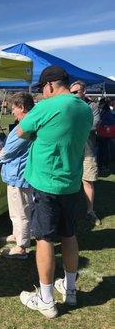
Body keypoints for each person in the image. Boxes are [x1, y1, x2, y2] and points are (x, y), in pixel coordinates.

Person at [17, 66, 93, 318]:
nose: (42, 93)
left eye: (42, 89)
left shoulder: (46, 107)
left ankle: (46, 299)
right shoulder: (84, 107)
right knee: (69, 235)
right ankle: (70, 290)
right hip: (71, 183)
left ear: (50, 85)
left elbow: (21, 130)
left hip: (46, 184)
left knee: (45, 239)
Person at [0, 92, 34, 259]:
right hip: (14, 173)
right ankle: (17, 234)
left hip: (19, 174)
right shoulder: (25, 123)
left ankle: (22, 246)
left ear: (22, 107)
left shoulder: (27, 125)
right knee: (15, 210)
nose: (12, 112)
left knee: (22, 211)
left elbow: (10, 150)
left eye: (14, 109)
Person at [69, 81, 101, 225]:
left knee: (87, 181)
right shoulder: (69, 106)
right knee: (69, 182)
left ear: (84, 91)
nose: (74, 95)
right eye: (71, 92)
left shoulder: (92, 106)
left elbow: (94, 125)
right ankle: (69, 210)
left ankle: (90, 211)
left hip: (88, 151)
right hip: (71, 152)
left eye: (76, 92)